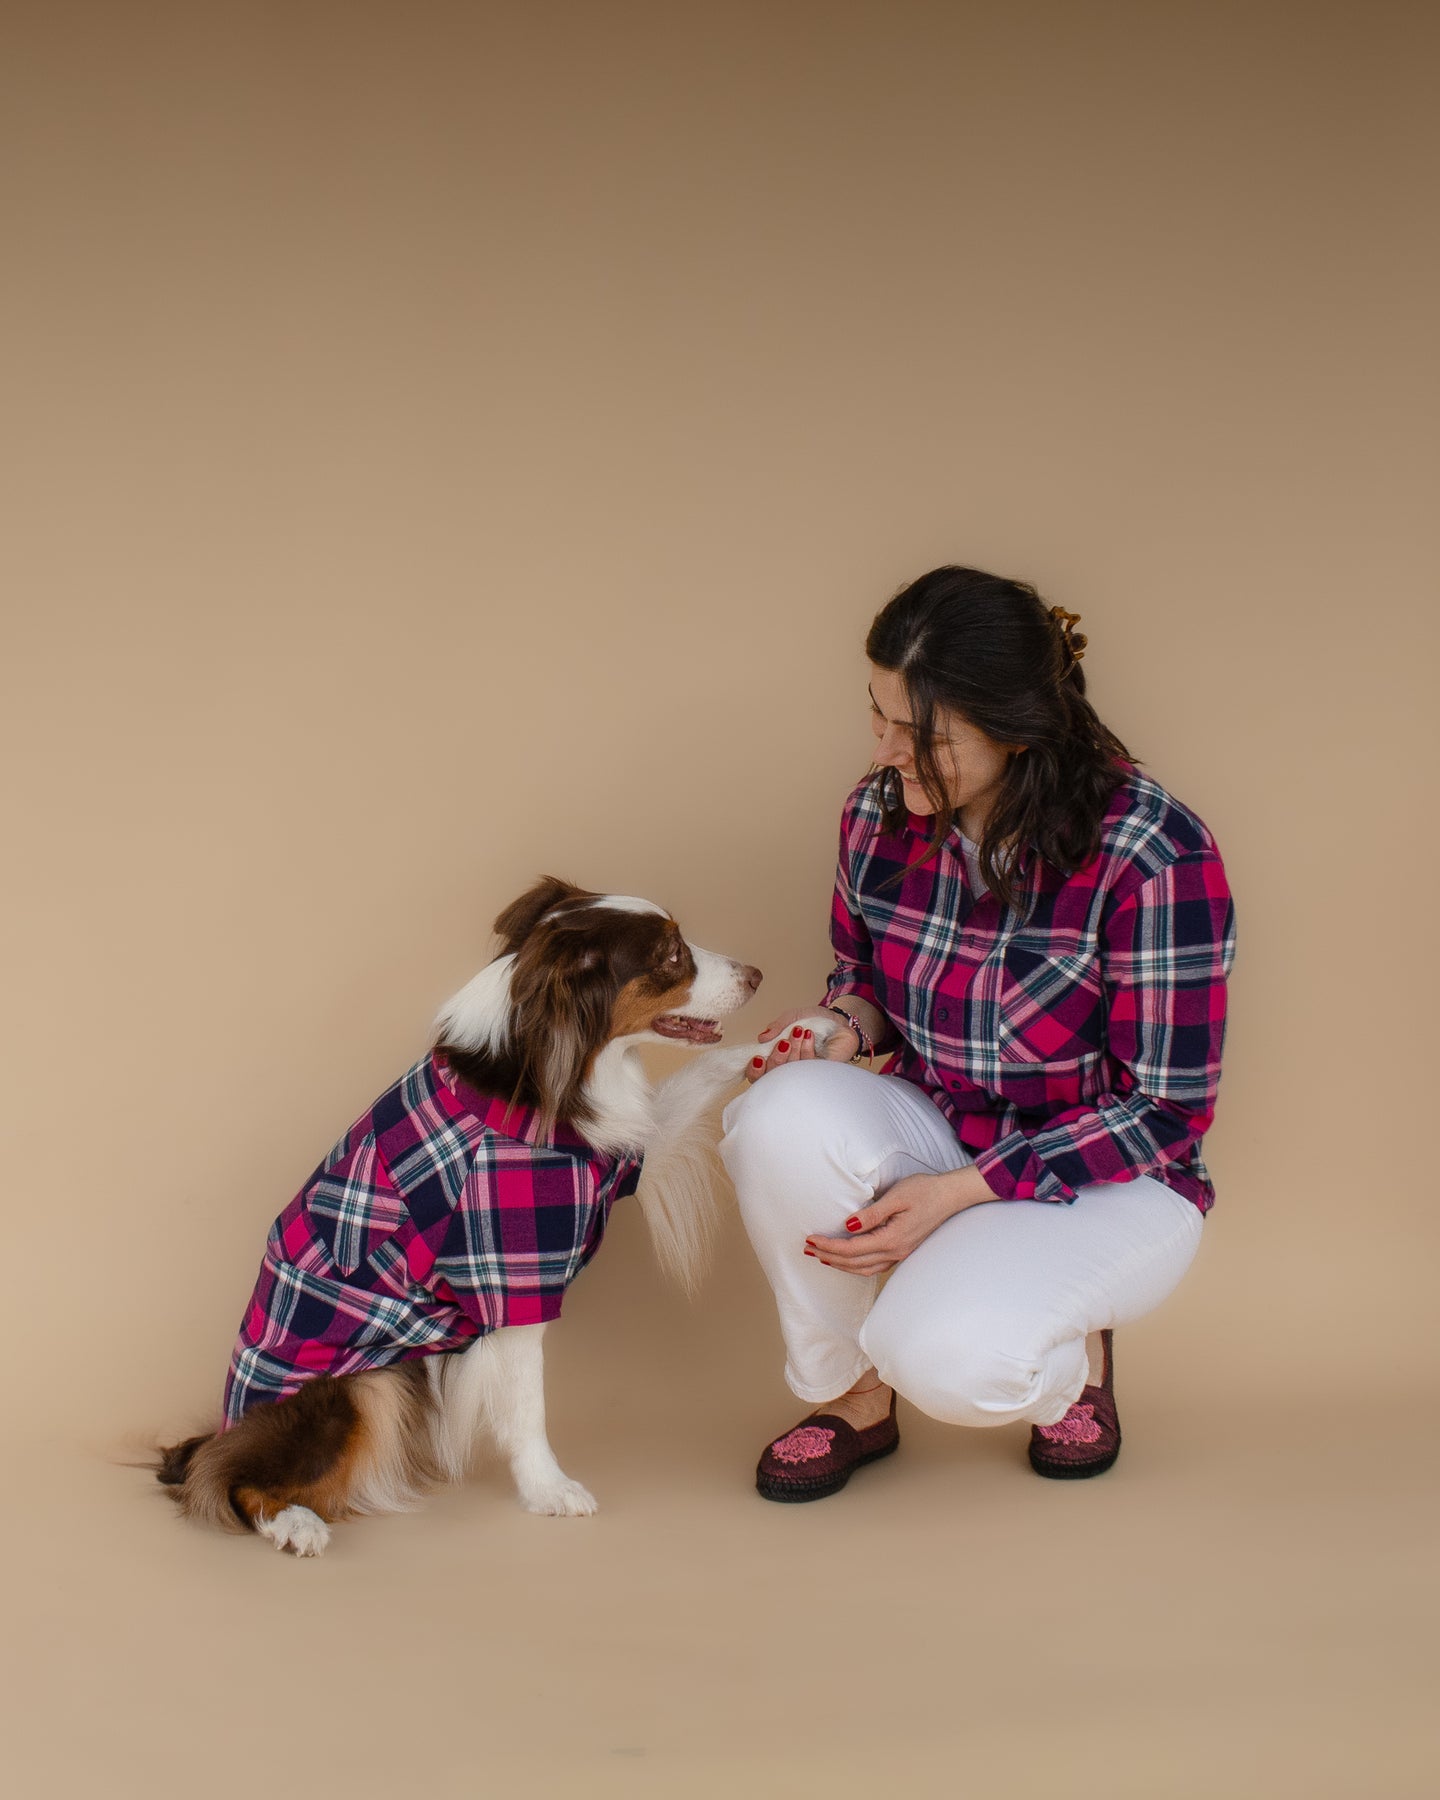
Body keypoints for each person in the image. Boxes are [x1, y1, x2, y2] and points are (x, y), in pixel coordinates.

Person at [719, 565, 1235, 1500]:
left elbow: (1166, 1112)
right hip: (945, 1124)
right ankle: (853, 1393)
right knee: (777, 1113)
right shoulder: (875, 814)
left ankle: (1072, 1359)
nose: (887, 752)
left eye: (921, 736)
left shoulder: (1154, 853)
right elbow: (863, 980)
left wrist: (962, 1193)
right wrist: (837, 1028)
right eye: (877, 715)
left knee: (952, 1362)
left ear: (1018, 729)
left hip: (1106, 1179)